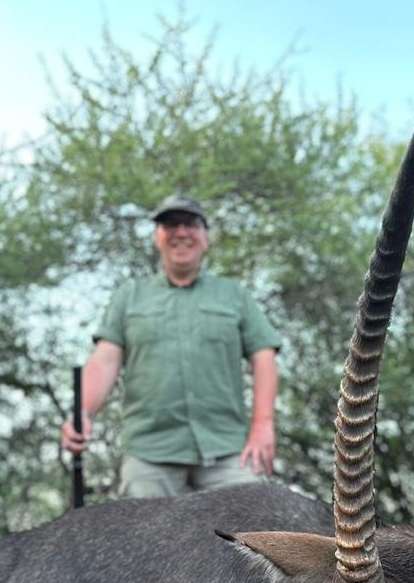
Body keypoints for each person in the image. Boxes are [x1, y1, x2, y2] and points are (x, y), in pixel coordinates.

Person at [61, 195, 281, 498]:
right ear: (157, 237)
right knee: (140, 540)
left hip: (228, 449)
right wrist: (82, 413)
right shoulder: (129, 297)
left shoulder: (234, 296)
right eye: (170, 225)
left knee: (255, 528)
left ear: (205, 237)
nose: (181, 233)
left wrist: (262, 426)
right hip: (150, 452)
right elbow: (104, 362)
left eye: (190, 224)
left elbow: (264, 356)